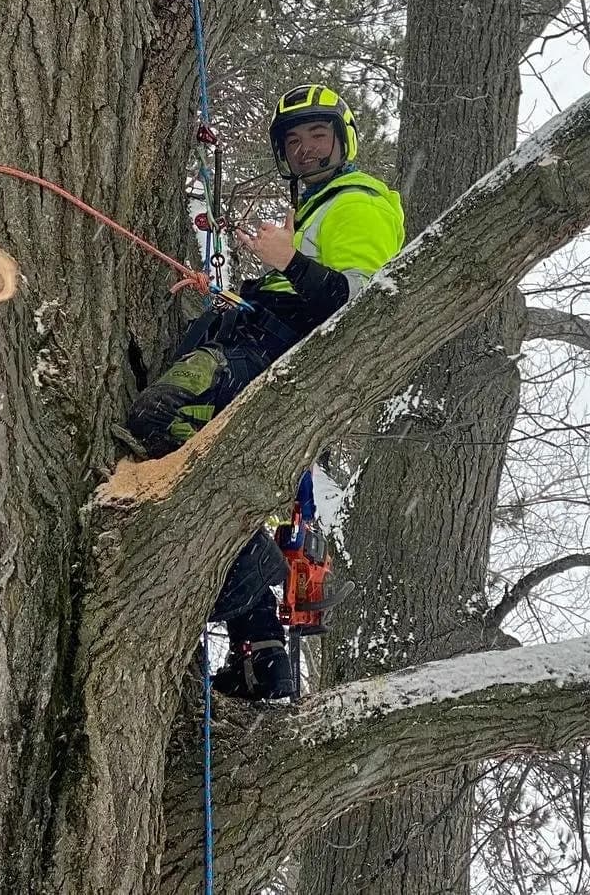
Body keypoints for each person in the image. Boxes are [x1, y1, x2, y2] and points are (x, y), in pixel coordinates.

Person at [117, 83, 405, 699]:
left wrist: (288, 262)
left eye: (317, 136)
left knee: (161, 421)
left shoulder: (358, 202)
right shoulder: (316, 210)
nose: (304, 150)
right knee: (193, 467)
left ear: (344, 140)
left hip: (277, 355)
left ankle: (254, 579)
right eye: (293, 141)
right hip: (259, 341)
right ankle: (261, 646)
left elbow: (365, 310)